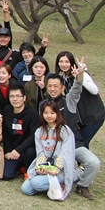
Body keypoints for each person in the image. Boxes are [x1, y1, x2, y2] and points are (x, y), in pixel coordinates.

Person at [47, 65, 102, 200]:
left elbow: (76, 90)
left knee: (94, 162)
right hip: (54, 149)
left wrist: (80, 76)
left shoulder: (69, 101)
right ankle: (72, 175)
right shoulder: (43, 105)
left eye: (56, 86)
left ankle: (82, 185)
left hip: (74, 145)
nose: (53, 89)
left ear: (63, 88)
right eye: (50, 86)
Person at [21, 101, 76, 200]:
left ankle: (63, 182)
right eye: (46, 113)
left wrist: (55, 170)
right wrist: (41, 168)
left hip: (60, 169)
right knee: (26, 189)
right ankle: (49, 184)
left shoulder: (65, 131)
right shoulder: (39, 131)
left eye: (52, 113)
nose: (49, 116)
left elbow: (65, 154)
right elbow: (40, 152)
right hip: (47, 166)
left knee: (35, 183)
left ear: (57, 114)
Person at [55, 51, 104, 148]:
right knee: (78, 142)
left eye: (67, 62)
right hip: (80, 119)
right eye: (61, 62)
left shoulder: (82, 74)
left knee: (82, 143)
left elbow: (95, 90)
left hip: (94, 116)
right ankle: (83, 163)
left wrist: (79, 77)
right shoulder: (63, 79)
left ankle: (88, 163)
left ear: (72, 63)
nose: (64, 64)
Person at [2, 84, 39, 181]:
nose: (15, 99)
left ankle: (28, 170)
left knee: (30, 152)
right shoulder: (7, 110)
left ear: (24, 98)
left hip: (26, 149)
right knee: (6, 175)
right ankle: (19, 167)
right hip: (12, 150)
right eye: (12, 96)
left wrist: (19, 150)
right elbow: (5, 132)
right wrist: (8, 151)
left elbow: (33, 136)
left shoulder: (32, 113)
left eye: (18, 96)